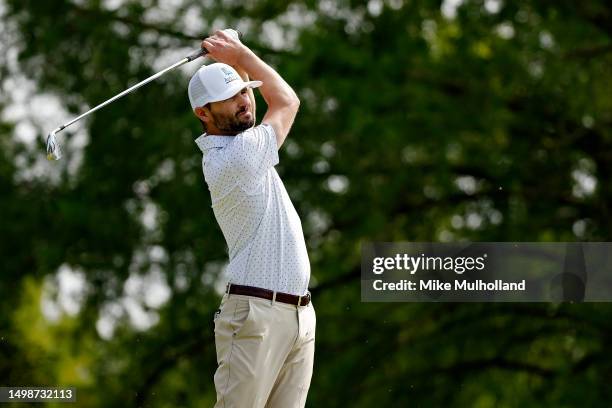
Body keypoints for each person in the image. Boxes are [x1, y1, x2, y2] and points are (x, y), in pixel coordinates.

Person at [188, 30, 316, 408]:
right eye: (228, 99)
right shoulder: (235, 156)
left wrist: (237, 65)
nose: (243, 102)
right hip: (255, 316)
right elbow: (287, 100)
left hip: (298, 316)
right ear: (203, 113)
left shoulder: (249, 147)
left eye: (244, 91)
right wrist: (241, 54)